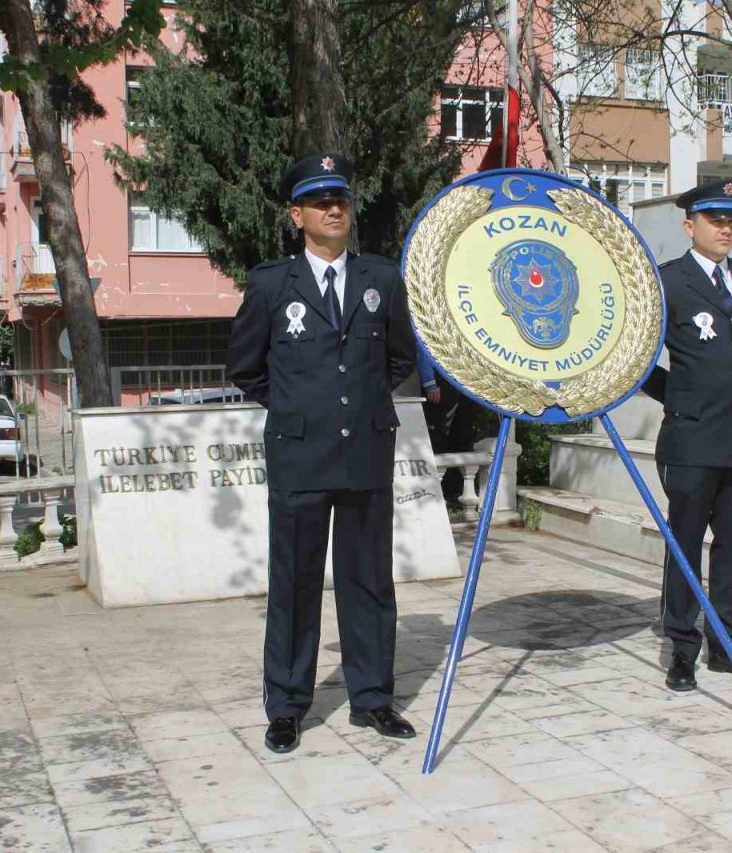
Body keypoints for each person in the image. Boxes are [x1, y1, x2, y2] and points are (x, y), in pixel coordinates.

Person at [226, 152, 417, 753]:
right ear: (297, 215)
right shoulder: (268, 285)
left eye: (341, 200)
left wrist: (353, 411)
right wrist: (298, 412)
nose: (334, 209)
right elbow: (246, 369)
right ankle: (286, 707)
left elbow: (401, 360)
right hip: (299, 459)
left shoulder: (381, 280)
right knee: (295, 584)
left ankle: (373, 699)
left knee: (369, 582)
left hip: (364, 456)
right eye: (319, 202)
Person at [640, 179, 732, 692]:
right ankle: (682, 647)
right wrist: (682, 397)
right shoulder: (668, 283)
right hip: (693, 437)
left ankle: (727, 642)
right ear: (689, 225)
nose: (725, 229)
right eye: (714, 220)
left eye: (731, 221)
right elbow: (639, 361)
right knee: (686, 545)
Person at [416, 344, 477, 504]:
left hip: (464, 386)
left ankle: (454, 491)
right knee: (437, 438)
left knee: (463, 436)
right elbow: (424, 348)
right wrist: (429, 382)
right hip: (441, 388)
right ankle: (433, 492)